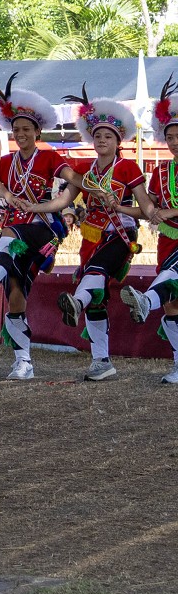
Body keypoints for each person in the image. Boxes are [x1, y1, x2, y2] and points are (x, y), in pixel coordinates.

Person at [20, 89, 154, 381]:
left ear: (118, 141)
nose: (102, 140)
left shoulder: (128, 167)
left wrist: (130, 208)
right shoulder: (83, 170)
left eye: (108, 136)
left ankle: (76, 304)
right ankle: (101, 361)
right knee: (97, 297)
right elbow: (63, 201)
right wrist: (35, 207)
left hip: (121, 234)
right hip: (91, 238)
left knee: (95, 271)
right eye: (97, 136)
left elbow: (145, 209)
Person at [0, 74, 83, 380]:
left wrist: (91, 186)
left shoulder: (50, 157)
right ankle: (24, 362)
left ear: (37, 131)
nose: (21, 134)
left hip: (43, 229)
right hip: (16, 227)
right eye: (16, 129)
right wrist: (7, 195)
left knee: (9, 234)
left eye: (26, 129)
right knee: (16, 293)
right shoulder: (5, 161)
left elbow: (73, 178)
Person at [120, 75, 178, 383]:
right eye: (170, 137)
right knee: (172, 304)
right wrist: (119, 207)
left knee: (172, 278)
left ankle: (146, 301)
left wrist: (170, 211)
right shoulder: (161, 170)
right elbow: (150, 209)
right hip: (169, 240)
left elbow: (164, 210)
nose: (175, 141)